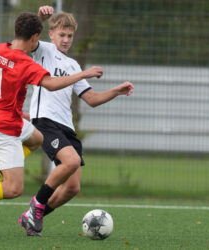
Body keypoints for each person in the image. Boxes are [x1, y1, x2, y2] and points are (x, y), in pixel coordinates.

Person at [0, 12, 103, 234]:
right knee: (13, 189)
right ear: (36, 36)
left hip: (8, 117)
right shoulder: (26, 64)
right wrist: (84, 73)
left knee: (37, 139)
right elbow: (52, 85)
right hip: (6, 126)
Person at [16, 6, 134, 236]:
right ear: (51, 34)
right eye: (62, 34)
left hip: (66, 128)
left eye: (70, 35)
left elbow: (91, 99)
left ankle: (30, 217)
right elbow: (28, 38)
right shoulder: (44, 51)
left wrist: (116, 91)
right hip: (45, 122)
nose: (66, 39)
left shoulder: (73, 66)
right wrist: (40, 17)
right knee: (70, 162)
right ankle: (36, 207)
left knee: (72, 187)